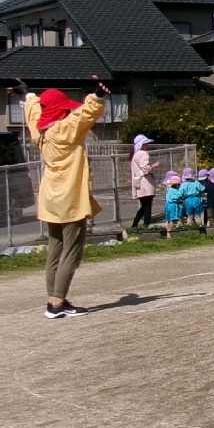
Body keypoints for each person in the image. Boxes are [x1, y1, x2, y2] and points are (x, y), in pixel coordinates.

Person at [16, 78, 107, 318]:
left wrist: (27, 95)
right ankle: (57, 302)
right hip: (69, 198)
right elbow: (85, 115)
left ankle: (54, 299)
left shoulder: (41, 132)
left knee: (55, 249)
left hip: (51, 199)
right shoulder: (64, 129)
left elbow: (34, 114)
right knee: (72, 251)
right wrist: (97, 96)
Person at [128, 134, 157, 231]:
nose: (147, 145)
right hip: (146, 183)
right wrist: (154, 166)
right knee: (148, 206)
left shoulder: (135, 155)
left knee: (144, 206)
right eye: (145, 144)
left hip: (139, 183)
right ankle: (146, 227)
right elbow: (145, 168)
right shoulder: (143, 154)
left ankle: (134, 225)